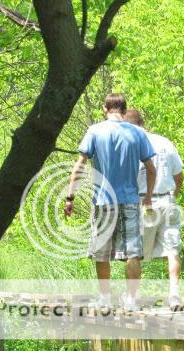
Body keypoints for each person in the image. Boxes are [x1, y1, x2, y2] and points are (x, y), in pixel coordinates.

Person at [64, 94, 156, 310]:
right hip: (130, 200)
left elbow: (79, 167)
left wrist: (70, 197)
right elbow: (151, 169)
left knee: (102, 252)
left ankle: (105, 298)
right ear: (124, 109)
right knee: (133, 251)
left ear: (105, 108)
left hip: (103, 201)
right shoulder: (137, 133)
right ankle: (131, 301)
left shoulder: (95, 131)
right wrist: (148, 196)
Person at [124, 109, 184, 308]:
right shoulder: (164, 142)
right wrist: (173, 196)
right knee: (172, 250)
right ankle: (174, 295)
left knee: (134, 253)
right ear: (143, 122)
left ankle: (133, 297)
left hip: (141, 202)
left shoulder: (129, 146)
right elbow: (179, 175)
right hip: (167, 200)